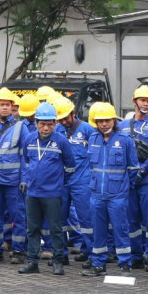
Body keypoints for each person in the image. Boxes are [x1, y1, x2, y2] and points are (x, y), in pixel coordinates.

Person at [83, 103, 139, 276]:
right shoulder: (93, 138)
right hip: (96, 194)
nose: (103, 124)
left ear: (114, 120)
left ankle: (125, 263)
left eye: (107, 120)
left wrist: (124, 189)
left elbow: (133, 168)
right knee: (98, 230)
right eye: (100, 121)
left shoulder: (125, 140)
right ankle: (99, 263)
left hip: (118, 195)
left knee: (120, 228)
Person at [19, 102, 75, 275]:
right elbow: (26, 162)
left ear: (55, 124)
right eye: (42, 123)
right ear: (36, 123)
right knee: (32, 228)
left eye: (50, 124)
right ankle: (32, 261)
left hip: (52, 193)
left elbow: (70, 166)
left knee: (56, 229)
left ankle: (58, 261)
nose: (46, 127)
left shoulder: (61, 141)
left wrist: (58, 183)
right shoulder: (29, 140)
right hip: (33, 193)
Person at [119, 85, 148, 270]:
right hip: (128, 181)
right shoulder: (121, 126)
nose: (146, 103)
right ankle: (135, 255)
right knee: (131, 220)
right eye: (143, 100)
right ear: (134, 101)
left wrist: (142, 170)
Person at [0, 87, 27, 264]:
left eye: (8, 105)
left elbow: (26, 156)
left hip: (13, 181)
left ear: (13, 107)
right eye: (1, 104)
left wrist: (24, 179)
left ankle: (18, 250)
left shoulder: (20, 128)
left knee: (18, 216)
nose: (4, 108)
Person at [57, 97, 94, 262]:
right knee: (60, 219)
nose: (64, 121)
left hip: (82, 181)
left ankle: (90, 252)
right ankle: (61, 254)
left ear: (74, 114)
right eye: (61, 119)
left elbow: (95, 154)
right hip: (62, 181)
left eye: (66, 118)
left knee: (86, 218)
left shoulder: (87, 129)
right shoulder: (57, 130)